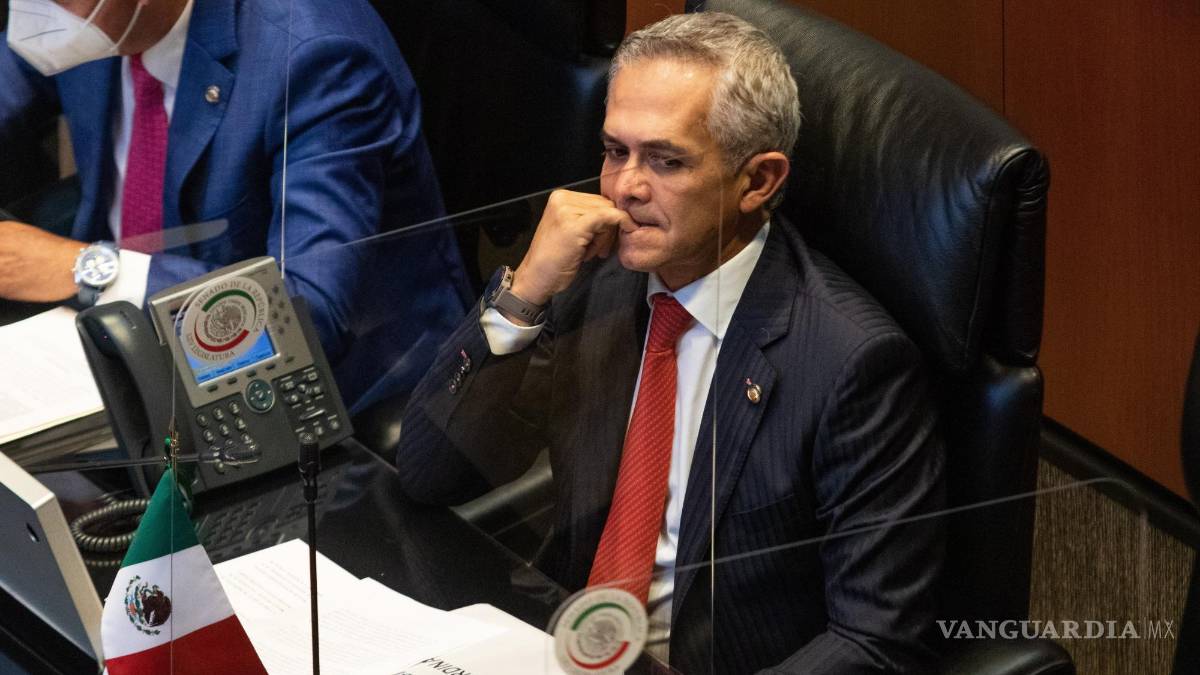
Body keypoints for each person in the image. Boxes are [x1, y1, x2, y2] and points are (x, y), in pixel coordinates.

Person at [396, 12, 944, 673]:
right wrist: (525, 291)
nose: (624, 188)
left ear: (758, 181)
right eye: (614, 151)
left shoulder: (850, 362)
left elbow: (873, 641)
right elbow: (430, 475)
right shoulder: (589, 276)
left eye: (666, 160)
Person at [0, 0, 471, 411]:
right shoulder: (93, 18)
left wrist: (87, 271)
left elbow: (305, 315)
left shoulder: (314, 57)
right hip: (114, 349)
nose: (33, 8)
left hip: (313, 401)